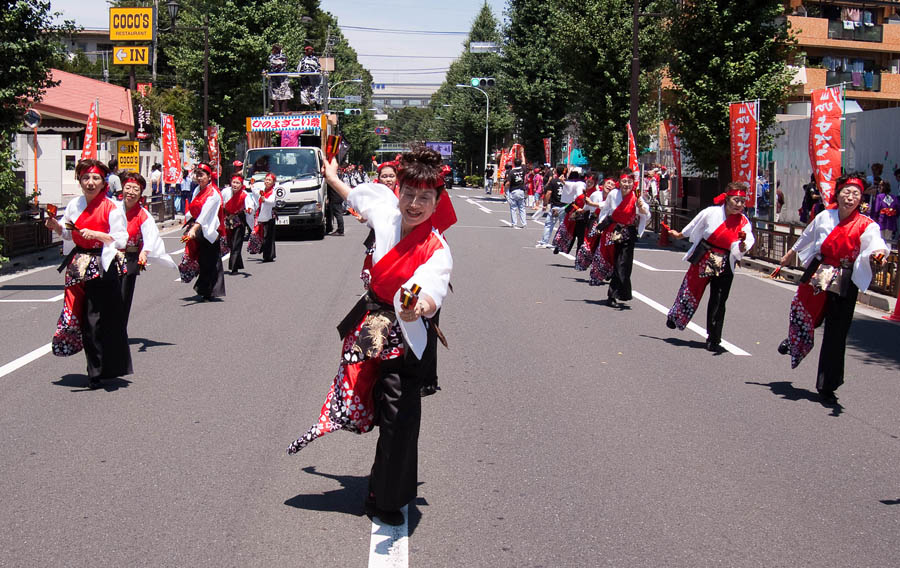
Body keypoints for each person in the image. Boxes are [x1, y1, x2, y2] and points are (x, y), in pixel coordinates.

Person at [287, 146, 454, 528]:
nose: (414, 204)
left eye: (424, 198)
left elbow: (432, 288)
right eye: (409, 194)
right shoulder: (386, 209)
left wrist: (420, 307)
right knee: (362, 395)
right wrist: (331, 179)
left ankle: (387, 495)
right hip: (372, 322)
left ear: (437, 201)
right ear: (400, 193)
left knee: (400, 417)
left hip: (408, 335)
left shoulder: (437, 250)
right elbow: (357, 196)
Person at [773, 174, 888, 405]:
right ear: (838, 193)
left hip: (845, 277)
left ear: (860, 199)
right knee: (806, 313)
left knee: (837, 332)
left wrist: (879, 255)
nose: (851, 197)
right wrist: (788, 256)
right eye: (847, 191)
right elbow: (807, 236)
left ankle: (827, 385)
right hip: (820, 270)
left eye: (856, 194)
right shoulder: (825, 216)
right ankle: (794, 341)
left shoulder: (867, 224)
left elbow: (876, 243)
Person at [44, 159, 132, 389]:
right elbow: (68, 232)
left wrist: (98, 235)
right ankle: (95, 366)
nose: (90, 182)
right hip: (78, 263)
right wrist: (56, 226)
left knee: (95, 319)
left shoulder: (112, 207)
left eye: (95, 178)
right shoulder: (75, 205)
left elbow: (121, 238)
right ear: (80, 181)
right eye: (85, 178)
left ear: (104, 183)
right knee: (80, 316)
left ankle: (97, 370)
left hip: (102, 264)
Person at [664, 183, 755, 353]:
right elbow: (694, 225)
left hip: (726, 260)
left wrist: (743, 247)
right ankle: (676, 316)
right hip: (706, 255)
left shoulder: (743, 221)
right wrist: (680, 234)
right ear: (727, 199)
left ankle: (714, 338)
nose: (739, 204)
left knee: (719, 300)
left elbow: (748, 239)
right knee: (691, 289)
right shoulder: (711, 212)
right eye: (736, 200)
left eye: (742, 201)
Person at [117, 172, 176, 324]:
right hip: (110, 257)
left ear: (141, 193)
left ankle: (118, 332)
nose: (130, 192)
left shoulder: (143, 215)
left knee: (123, 297)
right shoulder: (113, 208)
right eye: (128, 187)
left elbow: (150, 236)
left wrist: (144, 251)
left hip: (129, 258)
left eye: (135, 189)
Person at [590, 171, 649, 305]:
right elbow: (605, 210)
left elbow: (646, 213)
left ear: (633, 183)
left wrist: (642, 208)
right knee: (614, 260)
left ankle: (616, 294)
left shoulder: (636, 197)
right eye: (624, 181)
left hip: (628, 232)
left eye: (629, 182)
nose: (626, 185)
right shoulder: (613, 194)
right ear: (620, 182)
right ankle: (613, 292)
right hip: (613, 230)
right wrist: (600, 226)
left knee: (624, 264)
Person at [180, 163, 226, 300]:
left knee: (210, 261)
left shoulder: (214, 194)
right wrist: (188, 223)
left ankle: (209, 290)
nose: (199, 178)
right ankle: (206, 289)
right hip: (198, 229)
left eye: (202, 175)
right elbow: (193, 209)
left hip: (209, 230)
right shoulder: (197, 190)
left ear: (209, 176)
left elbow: (205, 214)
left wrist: (194, 228)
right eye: (197, 175)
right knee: (201, 259)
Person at [575, 175, 612, 270]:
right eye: (608, 183)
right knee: (589, 243)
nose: (610, 186)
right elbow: (587, 206)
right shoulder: (596, 194)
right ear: (603, 184)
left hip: (607, 223)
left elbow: (605, 205)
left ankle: (605, 268)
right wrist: (581, 210)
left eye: (612, 184)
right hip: (594, 221)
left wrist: (592, 204)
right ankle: (583, 262)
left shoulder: (614, 197)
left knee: (606, 246)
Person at [222, 174, 255, 274]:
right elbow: (220, 203)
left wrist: (249, 210)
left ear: (241, 185)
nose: (235, 185)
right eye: (234, 182)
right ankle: (237, 264)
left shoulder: (244, 194)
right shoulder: (225, 191)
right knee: (230, 243)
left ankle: (233, 267)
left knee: (237, 243)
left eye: (237, 183)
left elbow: (250, 206)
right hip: (227, 220)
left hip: (239, 221)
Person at [250, 172, 278, 260]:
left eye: (269, 180)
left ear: (273, 182)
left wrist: (264, 200)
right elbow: (255, 193)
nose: (267, 181)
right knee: (263, 234)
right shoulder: (262, 189)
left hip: (270, 215)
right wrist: (252, 186)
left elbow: (272, 201)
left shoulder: (274, 191)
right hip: (262, 214)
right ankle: (266, 253)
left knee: (269, 235)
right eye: (266, 179)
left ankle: (268, 255)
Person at [536, 166, 565, 247]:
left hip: (555, 206)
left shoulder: (553, 181)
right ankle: (561, 243)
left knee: (549, 224)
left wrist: (545, 203)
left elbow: (548, 193)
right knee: (562, 226)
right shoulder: (567, 182)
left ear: (556, 172)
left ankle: (544, 242)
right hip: (565, 206)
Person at [268, 44, 292, 114]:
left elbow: (283, 63)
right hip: (274, 80)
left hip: (283, 80)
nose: (274, 50)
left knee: (284, 97)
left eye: (276, 49)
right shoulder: (271, 57)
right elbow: (273, 64)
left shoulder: (283, 56)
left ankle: (283, 114)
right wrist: (278, 63)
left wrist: (279, 63)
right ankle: (277, 114)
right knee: (275, 98)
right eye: (274, 49)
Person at [296, 44, 321, 108]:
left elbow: (319, 69)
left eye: (310, 50)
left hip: (314, 81)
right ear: (306, 51)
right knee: (305, 96)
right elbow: (299, 69)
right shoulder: (303, 60)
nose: (309, 52)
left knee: (315, 96)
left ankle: (317, 110)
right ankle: (307, 111)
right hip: (305, 80)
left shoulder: (315, 59)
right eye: (308, 50)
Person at [505, 158, 527, 228]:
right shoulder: (523, 170)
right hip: (521, 191)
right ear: (520, 163)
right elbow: (524, 162)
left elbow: (508, 183)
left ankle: (514, 223)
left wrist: (506, 191)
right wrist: (522, 153)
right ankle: (524, 223)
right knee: (522, 208)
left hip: (513, 191)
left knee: (513, 208)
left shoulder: (511, 172)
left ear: (514, 164)